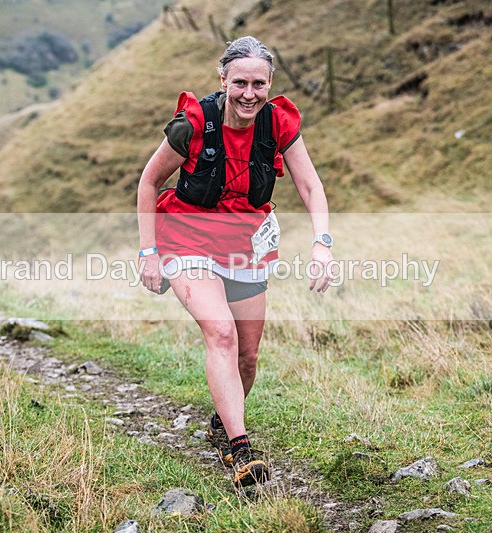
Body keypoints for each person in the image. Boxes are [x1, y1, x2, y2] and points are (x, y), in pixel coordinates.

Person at [137, 36, 334, 488]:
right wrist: (149, 253)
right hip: (186, 239)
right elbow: (149, 182)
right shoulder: (193, 123)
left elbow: (311, 186)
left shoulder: (278, 124)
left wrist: (322, 243)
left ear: (270, 84)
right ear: (223, 79)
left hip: (244, 244)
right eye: (240, 82)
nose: (249, 93)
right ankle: (240, 448)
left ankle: (221, 423)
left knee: (247, 357)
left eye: (258, 84)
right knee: (220, 332)